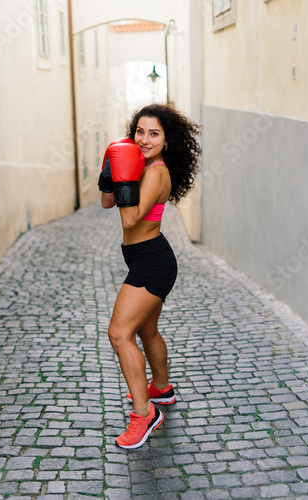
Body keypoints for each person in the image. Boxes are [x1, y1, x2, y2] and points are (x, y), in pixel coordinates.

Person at [98, 103, 202, 449]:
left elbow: (130, 220)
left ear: (167, 140)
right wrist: (109, 173)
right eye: (139, 131)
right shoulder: (139, 163)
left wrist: (124, 175)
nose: (144, 139)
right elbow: (107, 203)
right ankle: (161, 388)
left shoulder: (156, 172)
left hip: (152, 263)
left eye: (154, 133)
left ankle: (144, 415)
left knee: (119, 333)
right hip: (147, 257)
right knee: (147, 329)